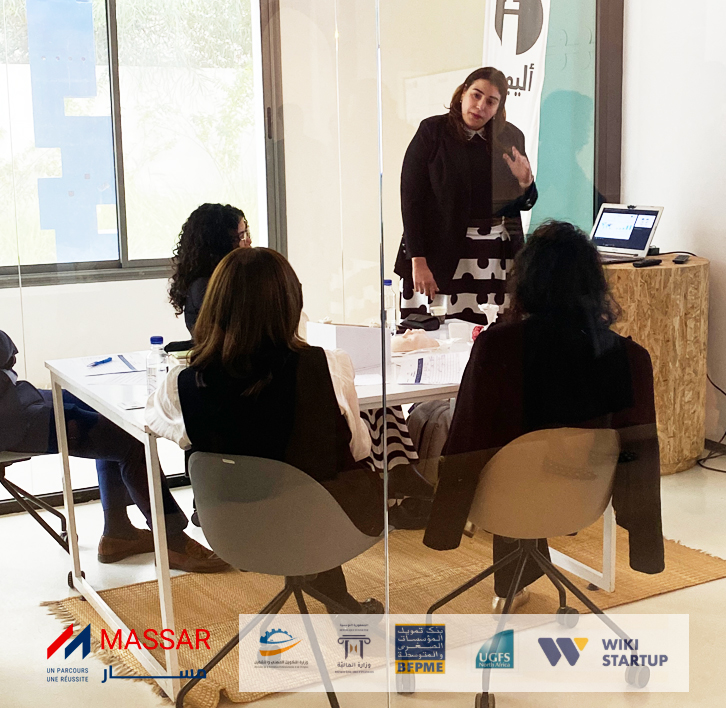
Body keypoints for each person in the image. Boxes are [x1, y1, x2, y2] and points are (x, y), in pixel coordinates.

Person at [423, 221, 665, 612]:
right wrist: (646, 544)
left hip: (503, 500)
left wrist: (446, 522)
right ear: (594, 284)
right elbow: (641, 456)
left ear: (526, 281)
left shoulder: (497, 349)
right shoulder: (629, 358)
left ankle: (514, 581)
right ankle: (519, 578)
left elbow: (467, 443)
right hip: (582, 498)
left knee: (497, 443)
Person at [146, 247, 385, 613]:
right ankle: (339, 603)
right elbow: (358, 449)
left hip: (234, 529)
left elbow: (158, 423)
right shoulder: (327, 366)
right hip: (322, 525)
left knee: (298, 484)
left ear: (214, 306)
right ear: (291, 303)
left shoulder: (182, 383)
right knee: (318, 480)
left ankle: (336, 599)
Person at [0, 330, 226, 573]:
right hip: (12, 420)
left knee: (106, 412)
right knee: (130, 440)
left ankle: (118, 533)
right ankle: (173, 541)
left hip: (12, 400)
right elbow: (4, 350)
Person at [394, 66, 538, 325]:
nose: (480, 106)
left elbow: (524, 204)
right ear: (462, 93)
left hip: (495, 255)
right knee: (435, 334)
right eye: (476, 95)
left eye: (491, 101)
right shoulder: (433, 131)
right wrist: (418, 260)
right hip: (439, 250)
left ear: (498, 108)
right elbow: (411, 200)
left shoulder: (510, 136)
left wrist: (525, 181)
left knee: (493, 332)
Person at [169, 203, 250, 336]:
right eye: (241, 237)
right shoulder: (204, 287)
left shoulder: (232, 277)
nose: (248, 242)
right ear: (221, 244)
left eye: (246, 233)